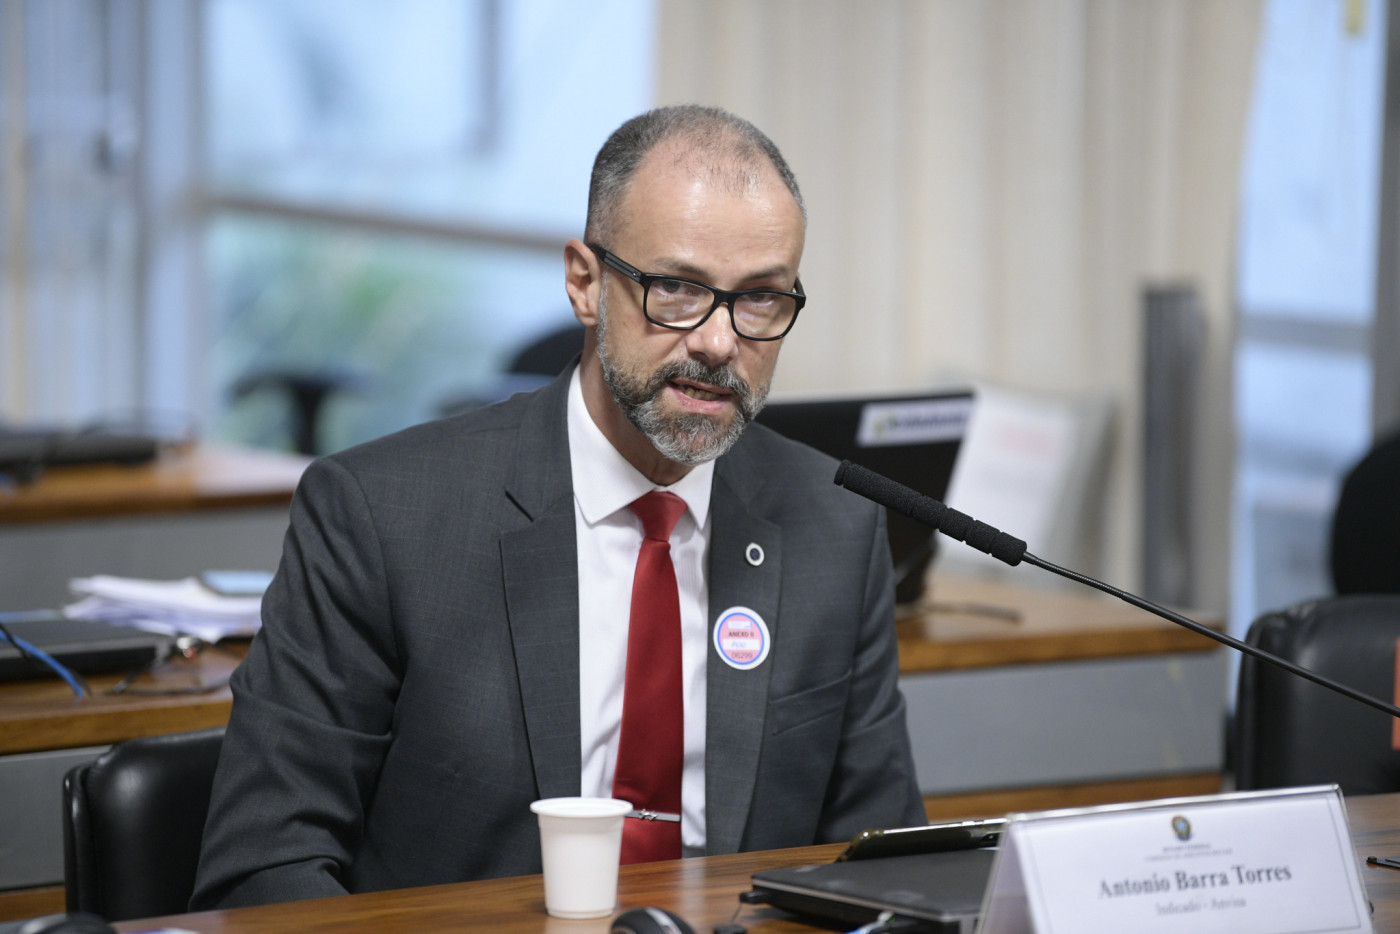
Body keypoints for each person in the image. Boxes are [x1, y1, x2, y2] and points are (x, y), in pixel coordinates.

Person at [190, 104, 924, 909]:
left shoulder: (835, 525)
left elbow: (881, 878)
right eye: (676, 289)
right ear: (584, 282)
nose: (718, 342)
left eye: (760, 300)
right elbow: (262, 868)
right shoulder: (381, 517)